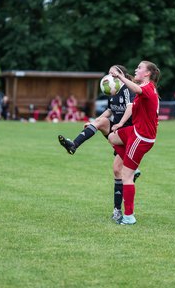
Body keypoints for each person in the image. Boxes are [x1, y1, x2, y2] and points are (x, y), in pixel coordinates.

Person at [58, 65, 140, 220]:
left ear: (121, 74)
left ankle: (119, 209)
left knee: (118, 170)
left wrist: (121, 123)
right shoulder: (112, 92)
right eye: (109, 73)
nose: (110, 76)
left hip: (129, 134)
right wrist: (93, 123)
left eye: (113, 73)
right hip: (117, 132)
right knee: (101, 122)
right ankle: (73, 145)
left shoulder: (128, 90)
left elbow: (130, 108)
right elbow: (109, 111)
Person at [108, 61, 160, 225]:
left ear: (147, 73)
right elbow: (132, 105)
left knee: (126, 175)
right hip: (135, 131)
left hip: (141, 137)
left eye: (139, 68)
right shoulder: (143, 88)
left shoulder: (147, 88)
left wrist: (122, 77)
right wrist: (121, 123)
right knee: (112, 136)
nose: (136, 70)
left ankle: (129, 216)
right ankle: (134, 165)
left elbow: (136, 89)